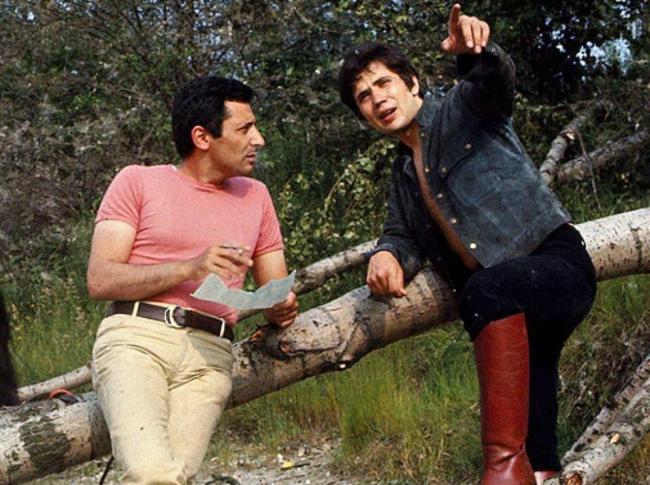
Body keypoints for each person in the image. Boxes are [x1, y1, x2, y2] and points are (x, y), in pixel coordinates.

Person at [338, 4, 596, 485]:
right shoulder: (403, 173)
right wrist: (387, 254)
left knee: (486, 289)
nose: (376, 99)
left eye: (383, 83)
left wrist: (476, 51)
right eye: (363, 97)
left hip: (553, 264)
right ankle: (537, 471)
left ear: (412, 83)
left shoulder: (463, 107)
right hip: (510, 306)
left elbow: (495, 82)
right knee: (535, 434)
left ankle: (499, 470)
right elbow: (400, 233)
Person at [87, 76, 298, 484]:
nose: (259, 139)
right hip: (136, 339)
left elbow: (275, 291)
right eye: (245, 129)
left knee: (173, 478)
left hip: (210, 354)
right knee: (151, 473)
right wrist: (190, 267)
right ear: (202, 137)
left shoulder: (257, 196)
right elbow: (100, 280)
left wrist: (280, 305)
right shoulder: (137, 181)